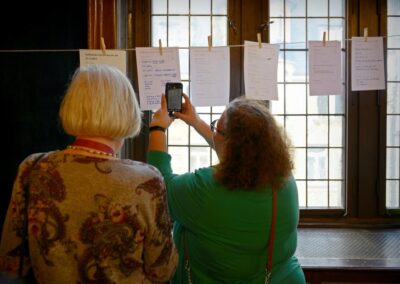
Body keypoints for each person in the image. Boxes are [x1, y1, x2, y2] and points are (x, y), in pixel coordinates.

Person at [0, 64, 178, 283]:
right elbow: (162, 270)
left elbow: (11, 260)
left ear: (72, 105)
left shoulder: (33, 167)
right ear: (127, 110)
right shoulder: (146, 179)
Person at [147, 93, 305, 284]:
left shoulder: (205, 189)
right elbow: (237, 152)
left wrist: (157, 128)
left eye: (216, 129)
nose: (214, 132)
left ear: (232, 144)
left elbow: (161, 189)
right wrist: (196, 122)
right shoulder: (283, 179)